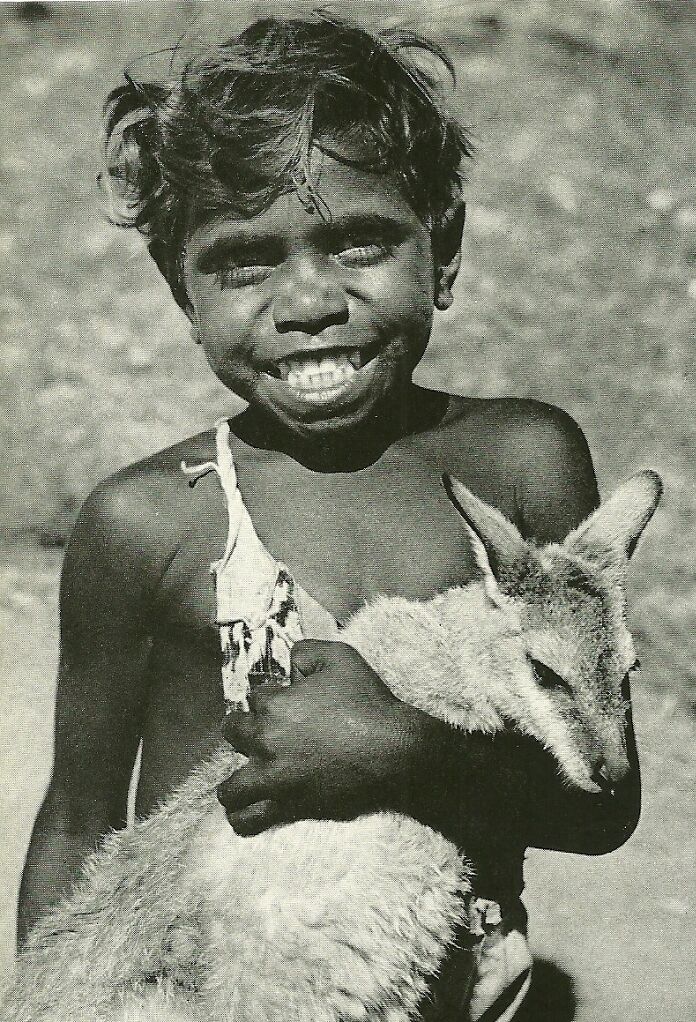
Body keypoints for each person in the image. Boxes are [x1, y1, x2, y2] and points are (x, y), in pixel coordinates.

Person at [17, 14, 641, 1019]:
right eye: (246, 261)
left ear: (442, 243)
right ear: (182, 289)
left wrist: (401, 747)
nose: (309, 299)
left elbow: (603, 800)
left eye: (359, 242)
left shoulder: (523, 462)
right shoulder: (144, 522)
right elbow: (80, 821)